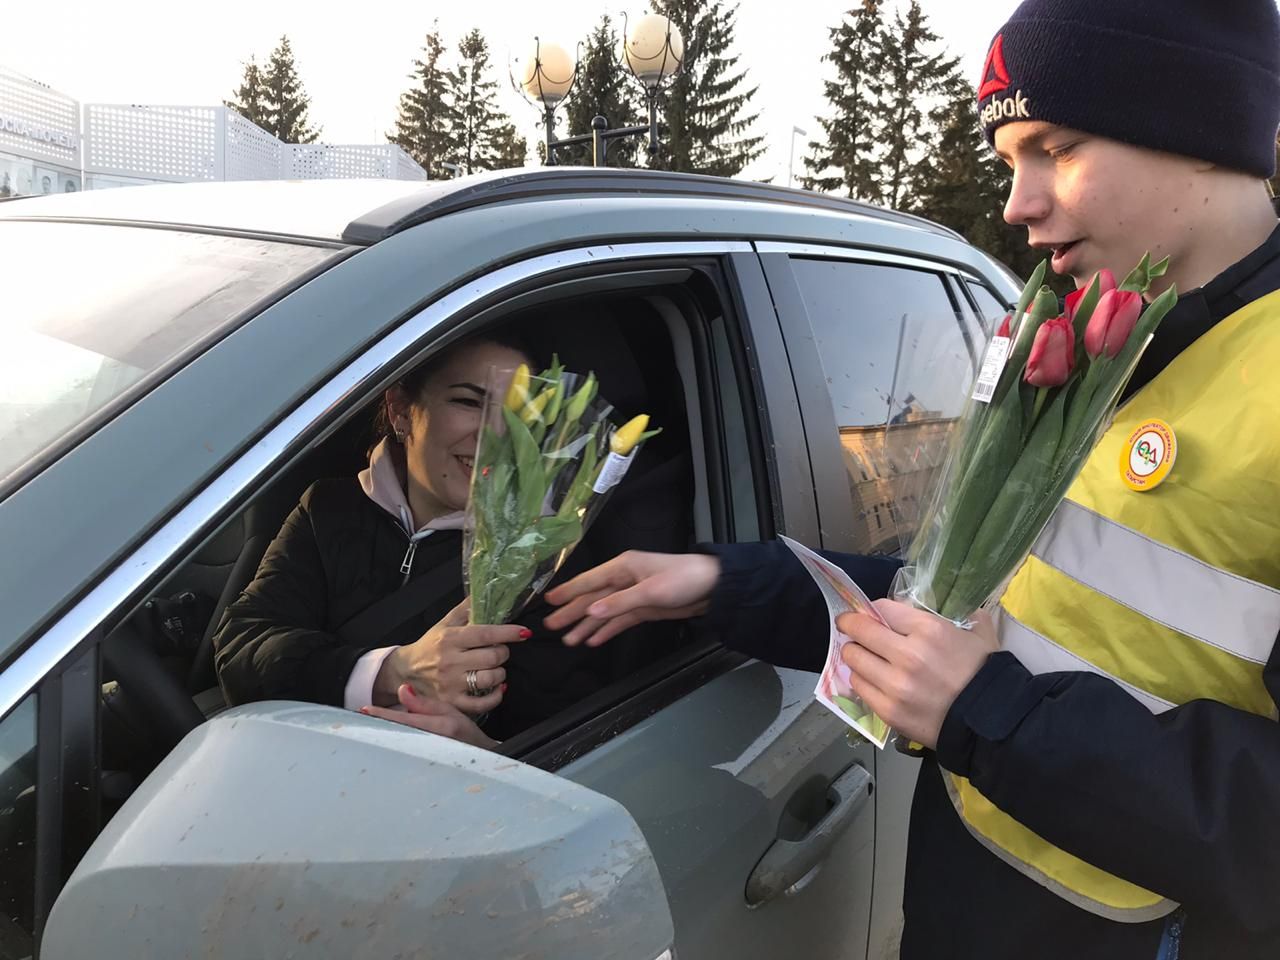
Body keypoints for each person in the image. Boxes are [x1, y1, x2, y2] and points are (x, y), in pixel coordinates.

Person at [546, 1, 1280, 956]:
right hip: (969, 900)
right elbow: (979, 609)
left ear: (1197, 127)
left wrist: (988, 713)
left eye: (1054, 148)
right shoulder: (1099, 344)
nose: (1018, 202)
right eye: (1010, 160)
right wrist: (724, 580)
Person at [214, 331, 545, 750]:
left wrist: (484, 750)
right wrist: (391, 673)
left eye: (517, 415)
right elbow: (241, 651)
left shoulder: (539, 555)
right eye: (468, 401)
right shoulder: (329, 508)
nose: (496, 436)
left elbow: (578, 740)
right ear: (401, 411)